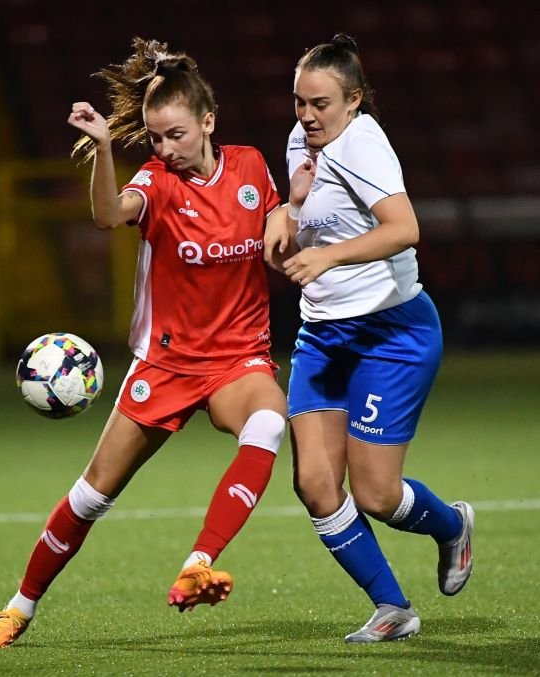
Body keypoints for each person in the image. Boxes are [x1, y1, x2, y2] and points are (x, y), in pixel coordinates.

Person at [0, 37, 287, 649]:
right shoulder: (156, 181)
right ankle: (19, 608)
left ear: (208, 122)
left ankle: (199, 563)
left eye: (175, 135)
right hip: (167, 363)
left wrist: (284, 220)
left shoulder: (250, 166)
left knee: (270, 425)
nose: (165, 148)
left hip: (237, 359)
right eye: (154, 137)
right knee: (91, 496)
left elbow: (273, 214)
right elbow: (108, 214)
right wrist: (105, 148)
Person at [263, 33, 474, 643]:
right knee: (315, 484)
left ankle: (450, 526)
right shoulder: (304, 141)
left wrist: (328, 258)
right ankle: (393, 607)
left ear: (354, 100)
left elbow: (403, 229)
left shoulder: (365, 142)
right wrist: (287, 212)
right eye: (299, 101)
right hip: (324, 336)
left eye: (321, 103)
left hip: (392, 333)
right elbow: (311, 218)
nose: (307, 115)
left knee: (377, 494)